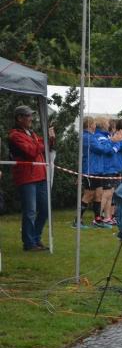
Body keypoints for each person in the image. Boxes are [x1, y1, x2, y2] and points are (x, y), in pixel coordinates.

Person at [8, 105, 55, 251]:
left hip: (40, 175)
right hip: (27, 177)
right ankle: (29, 243)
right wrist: (44, 142)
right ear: (19, 118)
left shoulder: (31, 133)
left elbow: (44, 146)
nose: (31, 118)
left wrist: (50, 139)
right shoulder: (15, 135)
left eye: (31, 115)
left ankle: (35, 238)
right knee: (30, 211)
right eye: (28, 116)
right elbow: (32, 151)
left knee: (45, 209)